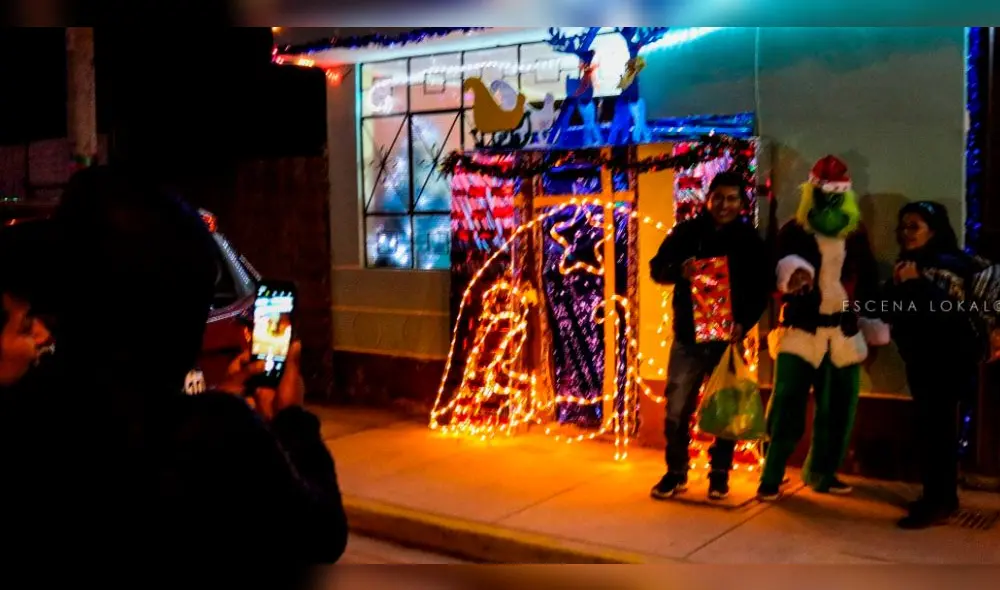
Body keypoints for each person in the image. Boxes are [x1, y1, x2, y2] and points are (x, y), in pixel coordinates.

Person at [0, 166, 348, 566]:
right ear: (181, 317)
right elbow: (322, 534)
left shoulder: (24, 415)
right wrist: (292, 418)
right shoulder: (219, 435)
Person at [759, 155, 890, 501]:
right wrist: (790, 276)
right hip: (800, 331)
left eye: (837, 194)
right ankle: (771, 474)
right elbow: (773, 274)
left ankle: (823, 473)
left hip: (843, 333)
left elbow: (869, 281)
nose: (830, 200)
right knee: (786, 405)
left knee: (839, 409)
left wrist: (874, 319)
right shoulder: (794, 230)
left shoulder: (855, 234)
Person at [648, 171, 770, 501]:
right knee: (676, 409)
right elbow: (657, 267)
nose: (724, 205)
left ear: (741, 203)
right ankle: (676, 472)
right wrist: (679, 271)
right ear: (708, 199)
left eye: (731, 198)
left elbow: (761, 289)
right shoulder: (686, 233)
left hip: (727, 340)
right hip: (688, 337)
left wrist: (744, 323)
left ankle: (719, 474)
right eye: (718, 198)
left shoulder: (749, 240)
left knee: (725, 408)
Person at [881, 201, 995, 529]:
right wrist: (898, 284)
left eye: (914, 226)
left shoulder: (951, 265)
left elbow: (946, 314)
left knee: (939, 434)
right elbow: (889, 309)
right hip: (920, 360)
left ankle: (938, 502)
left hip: (947, 362)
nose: (906, 233)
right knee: (930, 431)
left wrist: (915, 283)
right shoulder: (910, 264)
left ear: (933, 230)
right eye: (903, 226)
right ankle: (938, 497)